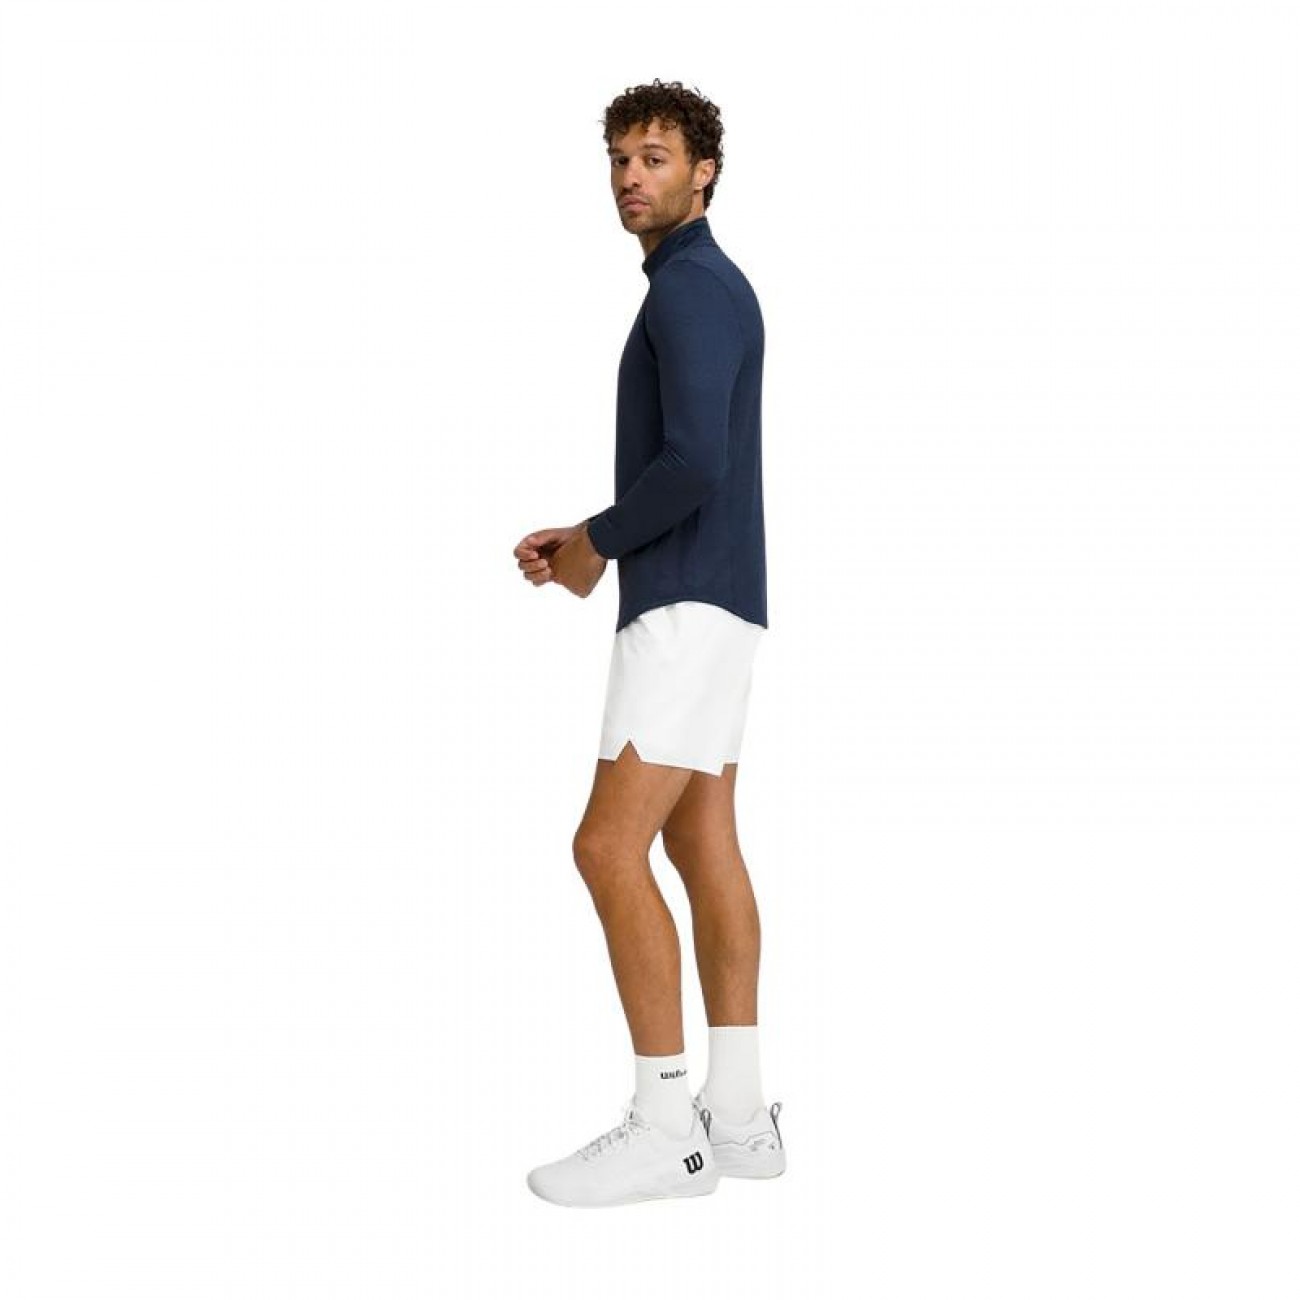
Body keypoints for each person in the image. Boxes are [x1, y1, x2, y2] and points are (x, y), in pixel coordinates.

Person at [512, 79, 784, 1208]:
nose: (631, 177)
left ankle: (667, 1125)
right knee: (701, 840)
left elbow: (695, 463)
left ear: (703, 172)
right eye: (620, 159)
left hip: (682, 602)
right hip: (717, 598)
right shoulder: (700, 284)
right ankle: (740, 1118)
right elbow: (695, 461)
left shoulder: (691, 288)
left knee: (605, 847)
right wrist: (597, 538)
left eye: (656, 157)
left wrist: (595, 542)